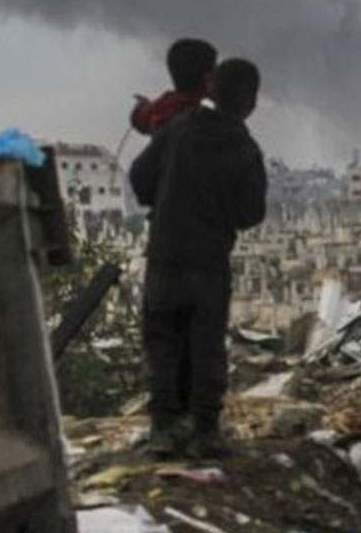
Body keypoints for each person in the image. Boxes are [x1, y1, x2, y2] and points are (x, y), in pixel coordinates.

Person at [130, 58, 267, 458]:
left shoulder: (178, 129)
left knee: (162, 342)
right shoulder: (244, 147)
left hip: (166, 254)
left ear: (211, 90)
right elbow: (251, 212)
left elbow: (140, 178)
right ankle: (205, 431)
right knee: (206, 344)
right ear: (251, 102)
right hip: (209, 260)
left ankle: (163, 430)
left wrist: (171, 196)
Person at [130, 39, 219, 135]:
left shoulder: (165, 106)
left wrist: (142, 105)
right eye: (215, 68)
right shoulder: (204, 122)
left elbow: (140, 119)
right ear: (207, 78)